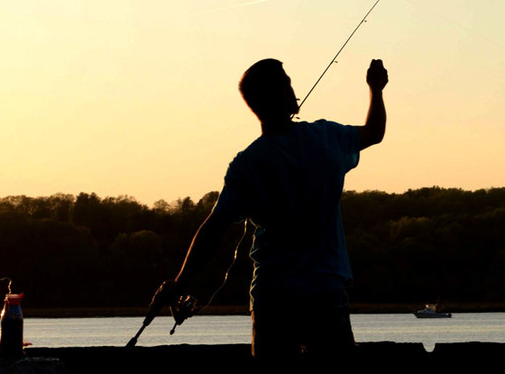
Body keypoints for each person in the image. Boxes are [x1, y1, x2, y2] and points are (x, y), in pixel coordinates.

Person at [150, 57, 388, 362]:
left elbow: (214, 227)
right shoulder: (327, 138)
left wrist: (179, 283)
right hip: (326, 291)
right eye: (288, 83)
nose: (293, 88)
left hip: (272, 297)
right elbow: (375, 132)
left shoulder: (247, 164)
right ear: (280, 95)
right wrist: (376, 89)